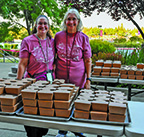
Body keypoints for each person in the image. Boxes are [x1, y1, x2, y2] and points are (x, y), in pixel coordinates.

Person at [54, 8, 92, 137]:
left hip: (79, 79)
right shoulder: (58, 36)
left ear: (78, 21)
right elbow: (52, 56)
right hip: (61, 79)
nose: (71, 22)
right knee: (62, 104)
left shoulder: (83, 38)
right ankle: (62, 131)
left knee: (78, 105)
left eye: (73, 19)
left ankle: (78, 130)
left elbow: (87, 60)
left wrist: (88, 79)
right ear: (65, 21)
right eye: (68, 19)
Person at [17, 15, 55, 137]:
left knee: (44, 123)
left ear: (48, 27)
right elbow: (22, 64)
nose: (42, 26)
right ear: (35, 25)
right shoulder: (27, 41)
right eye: (40, 23)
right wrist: (18, 84)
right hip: (31, 83)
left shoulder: (52, 42)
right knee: (32, 121)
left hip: (48, 85)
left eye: (45, 23)